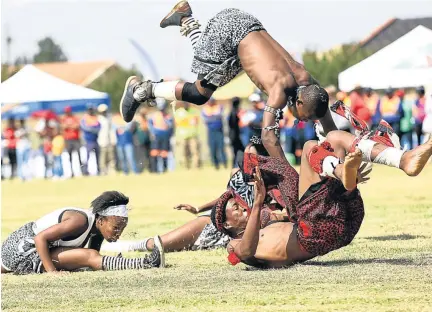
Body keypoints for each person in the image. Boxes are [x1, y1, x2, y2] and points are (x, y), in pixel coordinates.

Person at [211, 103, 432, 268]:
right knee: (308, 147)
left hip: (340, 224)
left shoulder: (263, 223)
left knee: (334, 138)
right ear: (227, 225)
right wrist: (258, 202)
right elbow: (245, 251)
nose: (242, 208)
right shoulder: (234, 244)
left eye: (238, 205)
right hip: (312, 233)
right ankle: (342, 170)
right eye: (235, 210)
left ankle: (398, 159)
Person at [120, 1, 337, 159]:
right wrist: (292, 181)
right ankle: (141, 89)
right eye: (305, 117)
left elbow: (325, 114)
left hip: (246, 24)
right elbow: (269, 139)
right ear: (299, 103)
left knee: (216, 75)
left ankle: (186, 18)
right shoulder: (280, 91)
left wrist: (343, 151)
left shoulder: (306, 81)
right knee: (199, 93)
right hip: (230, 34)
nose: (302, 121)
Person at [1, 191, 165, 275]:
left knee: (88, 256)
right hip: (23, 249)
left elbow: (95, 261)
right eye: (115, 228)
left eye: (121, 229)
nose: (118, 233)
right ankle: (146, 263)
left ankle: (145, 263)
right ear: (101, 220)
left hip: (34, 249)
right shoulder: (80, 221)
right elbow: (40, 238)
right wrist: (52, 273)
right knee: (87, 256)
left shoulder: (97, 228)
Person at [148, 99, 174, 173]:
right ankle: (154, 170)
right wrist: (153, 133)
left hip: (165, 136)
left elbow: (171, 127)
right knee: (154, 152)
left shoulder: (168, 116)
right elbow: (150, 125)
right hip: (156, 136)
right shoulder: (154, 115)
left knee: (164, 153)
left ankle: (164, 169)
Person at [174, 101, 202, 169]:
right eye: (184, 103)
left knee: (195, 152)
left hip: (193, 136)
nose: (186, 104)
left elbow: (196, 122)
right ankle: (186, 167)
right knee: (184, 153)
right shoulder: (178, 112)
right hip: (182, 137)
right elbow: (176, 124)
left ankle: (196, 167)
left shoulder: (194, 111)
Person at [201, 97, 227, 169]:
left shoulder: (219, 107)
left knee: (221, 148)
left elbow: (221, 116)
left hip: (219, 131)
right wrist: (214, 117)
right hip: (211, 131)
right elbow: (205, 120)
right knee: (213, 149)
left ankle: (224, 163)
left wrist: (212, 117)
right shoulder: (205, 109)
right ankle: (216, 165)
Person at [62, 106, 83, 177]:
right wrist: (71, 126)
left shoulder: (75, 117)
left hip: (75, 139)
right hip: (68, 140)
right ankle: (71, 172)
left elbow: (77, 126)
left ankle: (82, 171)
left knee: (79, 155)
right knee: (69, 156)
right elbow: (63, 126)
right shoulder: (64, 118)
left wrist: (69, 126)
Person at [80, 106, 101, 175]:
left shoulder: (95, 118)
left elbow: (99, 127)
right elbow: (85, 128)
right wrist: (93, 129)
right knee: (86, 157)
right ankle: (85, 171)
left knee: (98, 156)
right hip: (87, 141)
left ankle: (99, 170)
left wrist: (91, 129)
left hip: (95, 140)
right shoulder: (85, 118)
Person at [97, 104, 117, 175]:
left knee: (111, 156)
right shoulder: (98, 119)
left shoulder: (109, 117)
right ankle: (103, 170)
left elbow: (112, 129)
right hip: (102, 140)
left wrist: (113, 139)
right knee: (103, 157)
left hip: (110, 140)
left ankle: (112, 169)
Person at [227, 97, 245, 167]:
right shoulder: (234, 112)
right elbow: (233, 124)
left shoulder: (233, 111)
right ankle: (235, 166)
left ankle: (236, 165)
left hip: (234, 135)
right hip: (234, 135)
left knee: (238, 151)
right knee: (238, 151)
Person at [135, 108, 152, 173]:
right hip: (140, 141)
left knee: (148, 156)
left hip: (147, 141)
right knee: (141, 157)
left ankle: (149, 169)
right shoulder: (137, 121)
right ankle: (140, 170)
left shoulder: (147, 120)